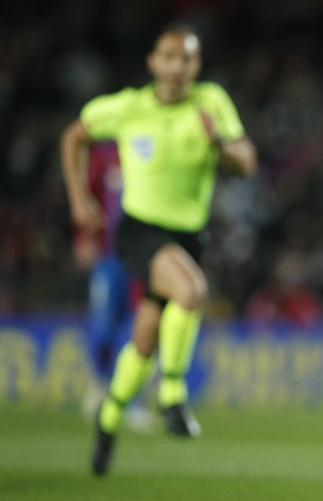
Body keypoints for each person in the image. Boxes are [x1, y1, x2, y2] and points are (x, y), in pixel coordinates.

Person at [61, 24, 257, 476]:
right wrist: (78, 198)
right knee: (191, 291)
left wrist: (221, 145)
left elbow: (246, 163)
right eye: (169, 56)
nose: (177, 66)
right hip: (139, 231)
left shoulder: (212, 102)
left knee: (145, 340)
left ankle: (108, 420)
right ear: (153, 62)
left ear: (197, 65)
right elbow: (73, 136)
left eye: (186, 58)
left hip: (189, 236)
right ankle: (173, 396)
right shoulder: (128, 108)